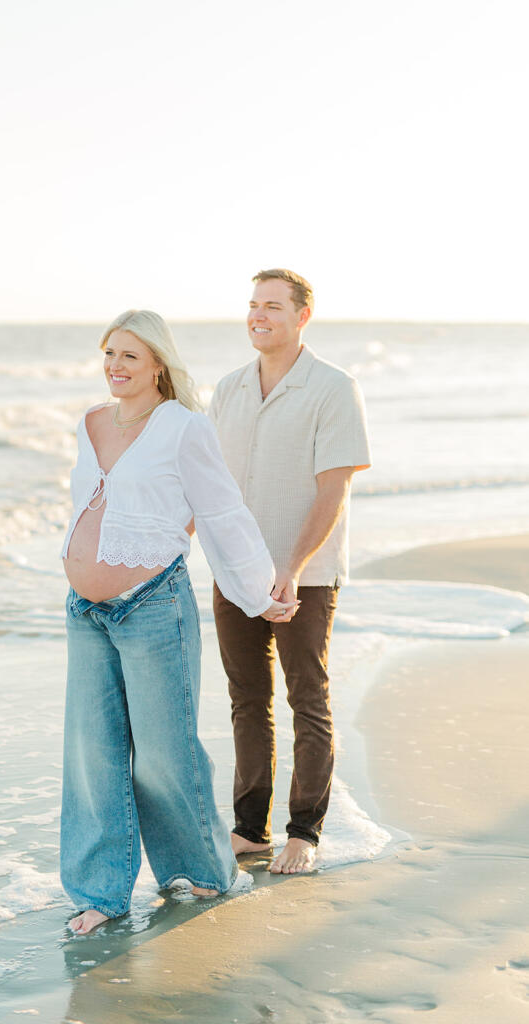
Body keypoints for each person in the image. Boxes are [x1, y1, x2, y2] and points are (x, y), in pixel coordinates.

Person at [60, 309, 294, 934]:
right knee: (92, 755)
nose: (115, 366)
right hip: (85, 613)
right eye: (109, 353)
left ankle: (202, 870)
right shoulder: (90, 423)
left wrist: (257, 592)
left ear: (158, 364)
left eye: (129, 356)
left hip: (152, 605)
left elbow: (220, 512)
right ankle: (100, 894)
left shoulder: (184, 427)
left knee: (164, 754)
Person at [209, 269, 371, 875]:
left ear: (302, 315)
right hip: (234, 574)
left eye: (273, 306)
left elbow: (334, 489)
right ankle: (249, 830)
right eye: (253, 304)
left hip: (306, 573)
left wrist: (290, 565)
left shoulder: (333, 387)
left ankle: (304, 832)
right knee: (247, 700)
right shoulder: (228, 388)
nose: (258, 315)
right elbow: (208, 486)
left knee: (307, 697)